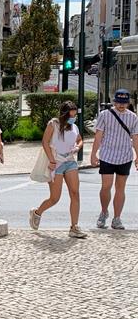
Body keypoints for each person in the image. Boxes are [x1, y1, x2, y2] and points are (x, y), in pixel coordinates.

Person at [29, 101, 87, 238]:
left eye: (74, 116)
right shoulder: (53, 124)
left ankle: (74, 227)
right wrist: (52, 160)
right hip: (57, 162)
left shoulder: (74, 127)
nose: (73, 118)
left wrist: (77, 147)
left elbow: (79, 140)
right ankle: (37, 212)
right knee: (55, 198)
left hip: (70, 161)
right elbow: (45, 142)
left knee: (75, 193)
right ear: (64, 114)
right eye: (70, 115)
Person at [90, 89, 138, 229]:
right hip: (107, 155)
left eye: (124, 103)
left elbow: (135, 138)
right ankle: (104, 212)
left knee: (120, 188)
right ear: (114, 101)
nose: (121, 105)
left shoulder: (133, 117)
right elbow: (98, 135)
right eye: (119, 102)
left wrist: (137, 156)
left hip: (125, 155)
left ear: (128, 103)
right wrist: (93, 154)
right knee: (106, 186)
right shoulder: (105, 115)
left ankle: (117, 218)